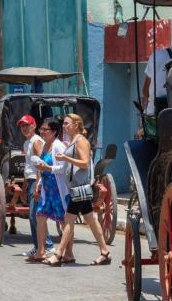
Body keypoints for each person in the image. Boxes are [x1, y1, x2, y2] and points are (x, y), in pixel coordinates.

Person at [44, 113, 111, 266]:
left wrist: (65, 158)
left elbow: (85, 163)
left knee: (68, 220)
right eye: (64, 124)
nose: (64, 126)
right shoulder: (74, 141)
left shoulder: (81, 141)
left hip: (80, 187)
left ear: (76, 125)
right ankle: (105, 252)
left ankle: (59, 254)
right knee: (91, 220)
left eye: (67, 123)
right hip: (77, 187)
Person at [29, 118, 67, 263]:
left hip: (58, 189)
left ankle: (65, 252)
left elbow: (64, 168)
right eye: (42, 129)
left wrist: (48, 168)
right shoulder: (45, 145)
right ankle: (41, 251)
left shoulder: (58, 146)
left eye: (46, 130)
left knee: (63, 221)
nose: (43, 132)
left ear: (55, 132)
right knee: (40, 217)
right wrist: (38, 183)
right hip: (46, 188)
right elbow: (41, 166)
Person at [16, 115, 53, 258]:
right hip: (31, 181)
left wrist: (38, 183)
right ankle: (39, 247)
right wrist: (25, 187)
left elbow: (41, 164)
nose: (24, 128)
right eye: (22, 126)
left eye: (27, 125)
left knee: (35, 216)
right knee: (35, 216)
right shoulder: (27, 143)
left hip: (37, 181)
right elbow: (29, 166)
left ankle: (47, 246)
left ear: (34, 126)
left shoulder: (36, 141)